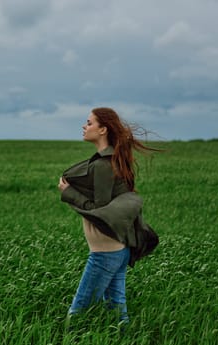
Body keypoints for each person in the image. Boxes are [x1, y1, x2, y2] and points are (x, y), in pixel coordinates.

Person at [58, 107, 160, 327]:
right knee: (117, 311)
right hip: (118, 248)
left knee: (79, 312)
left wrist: (69, 194)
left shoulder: (104, 165)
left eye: (89, 122)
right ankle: (124, 341)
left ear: (103, 129)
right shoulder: (110, 160)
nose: (84, 126)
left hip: (106, 252)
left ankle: (67, 342)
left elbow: (100, 210)